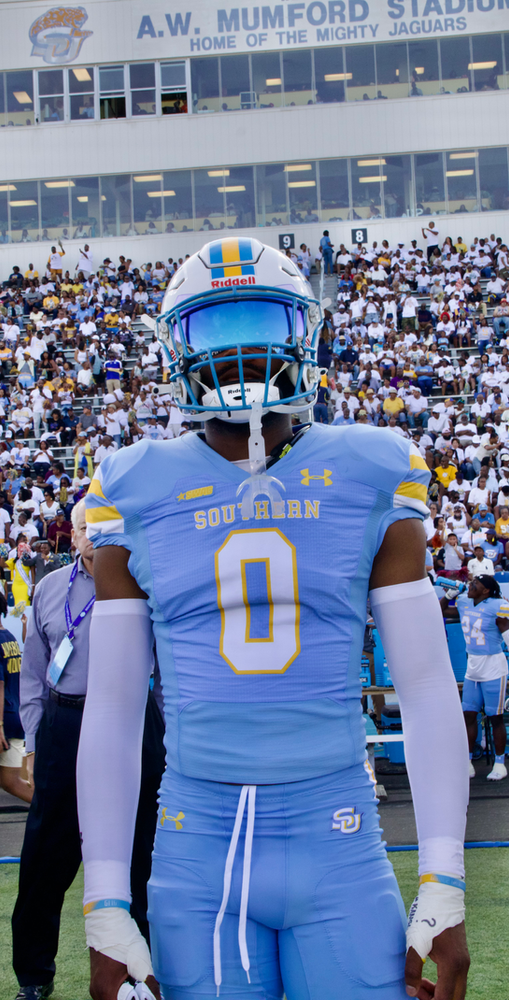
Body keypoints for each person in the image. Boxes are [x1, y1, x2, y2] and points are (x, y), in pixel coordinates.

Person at [78, 237, 469, 1000]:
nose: (242, 350)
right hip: (197, 841)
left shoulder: (370, 468)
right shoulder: (131, 486)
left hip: (339, 830)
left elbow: (425, 687)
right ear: (177, 349)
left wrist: (445, 875)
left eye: (260, 323)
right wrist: (105, 905)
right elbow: (115, 709)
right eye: (217, 332)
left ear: (304, 334)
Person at [11, 501, 165, 1000]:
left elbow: (164, 673)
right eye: (85, 530)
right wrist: (35, 740)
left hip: (131, 719)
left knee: (142, 851)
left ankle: (140, 972)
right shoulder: (49, 589)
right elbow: (33, 676)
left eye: (103, 529)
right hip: (65, 722)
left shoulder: (146, 583)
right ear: (70, 536)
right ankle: (34, 977)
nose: (94, 538)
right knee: (43, 859)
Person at [441, 575, 509, 781]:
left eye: (475, 584)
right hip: (472, 668)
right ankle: (467, 761)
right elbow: (440, 610)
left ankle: (499, 763)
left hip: (493, 666)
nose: (470, 586)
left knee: (495, 717)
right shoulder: (464, 602)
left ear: (486, 590)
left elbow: (506, 628)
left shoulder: (497, 605)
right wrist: (448, 595)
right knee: (468, 716)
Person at [0, 595, 31, 803]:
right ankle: (57, 814)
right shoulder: (9, 638)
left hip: (4, 720)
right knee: (11, 781)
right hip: (15, 716)